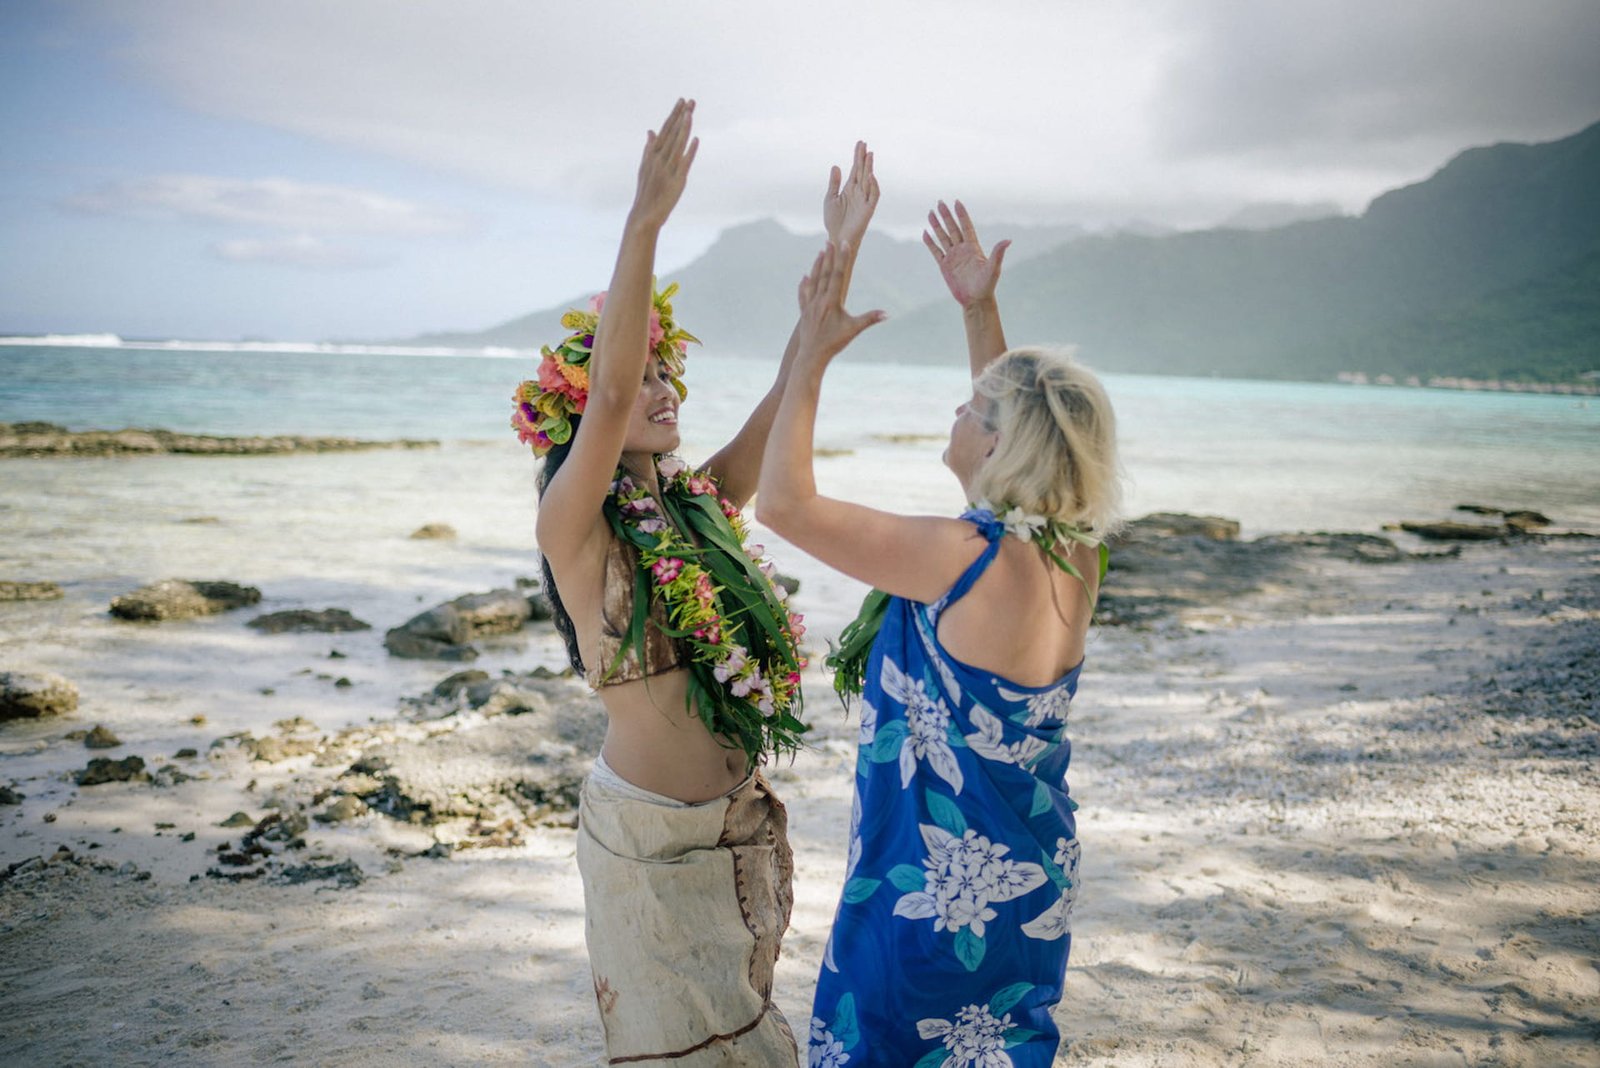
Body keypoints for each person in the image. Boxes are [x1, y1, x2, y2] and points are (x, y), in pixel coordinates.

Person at [515, 99, 879, 1066]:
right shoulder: (573, 529)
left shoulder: (697, 509)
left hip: (735, 823)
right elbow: (609, 390)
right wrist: (644, 223)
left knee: (749, 1042)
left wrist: (824, 299)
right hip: (649, 841)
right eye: (642, 379)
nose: (660, 387)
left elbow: (776, 405)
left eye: (669, 374)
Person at [756, 202, 1121, 1065]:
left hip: (937, 878)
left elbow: (782, 506)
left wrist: (810, 356)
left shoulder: (961, 557)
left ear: (999, 444)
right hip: (1026, 867)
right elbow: (1024, 418)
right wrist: (976, 309)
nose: (957, 411)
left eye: (972, 408)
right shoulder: (1074, 555)